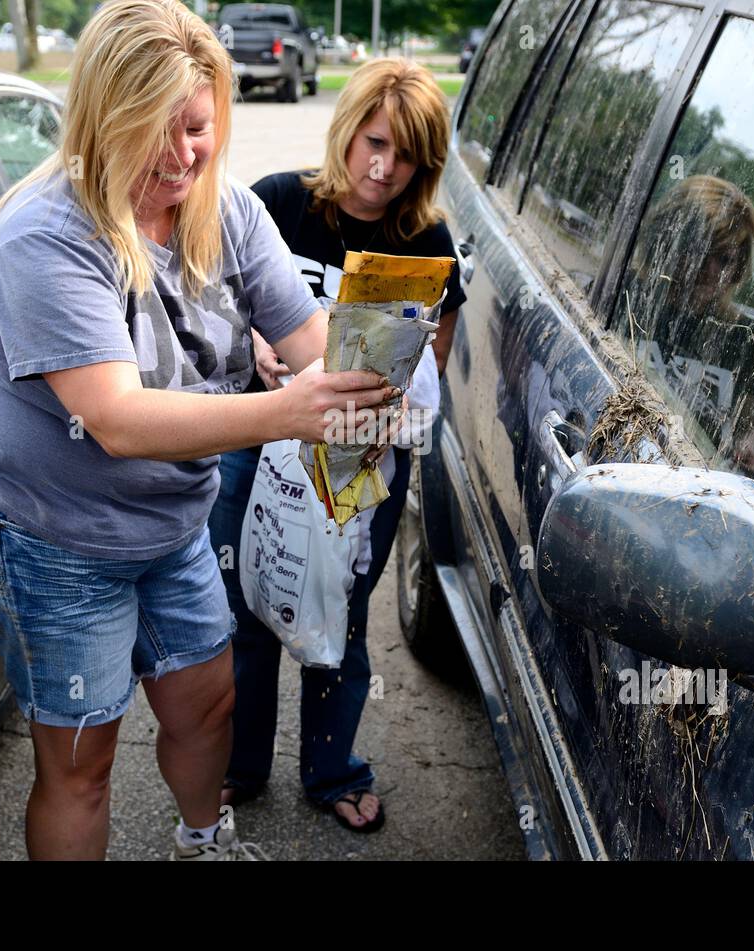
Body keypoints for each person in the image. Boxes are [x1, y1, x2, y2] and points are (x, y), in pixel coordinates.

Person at [0, 0, 395, 861]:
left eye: (197, 127)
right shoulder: (44, 236)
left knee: (207, 703)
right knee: (82, 761)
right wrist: (288, 410)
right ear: (102, 117)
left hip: (171, 521)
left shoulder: (220, 207)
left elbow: (311, 339)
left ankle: (203, 840)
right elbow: (115, 420)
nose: (182, 153)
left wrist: (376, 366)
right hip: (51, 536)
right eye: (156, 129)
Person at [208, 58, 466, 832]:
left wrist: (400, 401)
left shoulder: (427, 239)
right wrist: (253, 341)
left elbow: (438, 358)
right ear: (347, 128)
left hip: (361, 458)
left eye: (407, 153)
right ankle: (238, 765)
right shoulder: (279, 202)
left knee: (342, 614)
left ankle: (331, 768)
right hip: (257, 440)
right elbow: (212, 304)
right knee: (245, 603)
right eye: (373, 141)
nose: (383, 167)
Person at [619, 174, 754, 474]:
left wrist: (749, 445)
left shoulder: (745, 339)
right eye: (700, 249)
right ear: (670, 241)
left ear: (738, 267)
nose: (709, 269)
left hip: (697, 485)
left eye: (724, 259)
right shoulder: (627, 295)